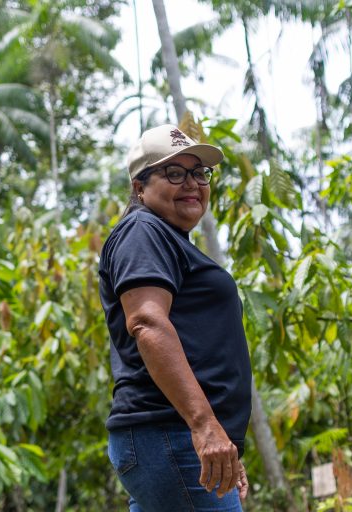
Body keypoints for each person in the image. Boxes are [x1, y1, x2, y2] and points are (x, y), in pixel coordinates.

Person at [99, 124, 252, 511]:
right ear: (139, 188)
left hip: (173, 438)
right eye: (174, 173)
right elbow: (147, 324)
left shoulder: (166, 238)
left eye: (199, 173)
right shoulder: (142, 230)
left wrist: (225, 440)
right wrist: (204, 427)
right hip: (171, 433)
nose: (192, 183)